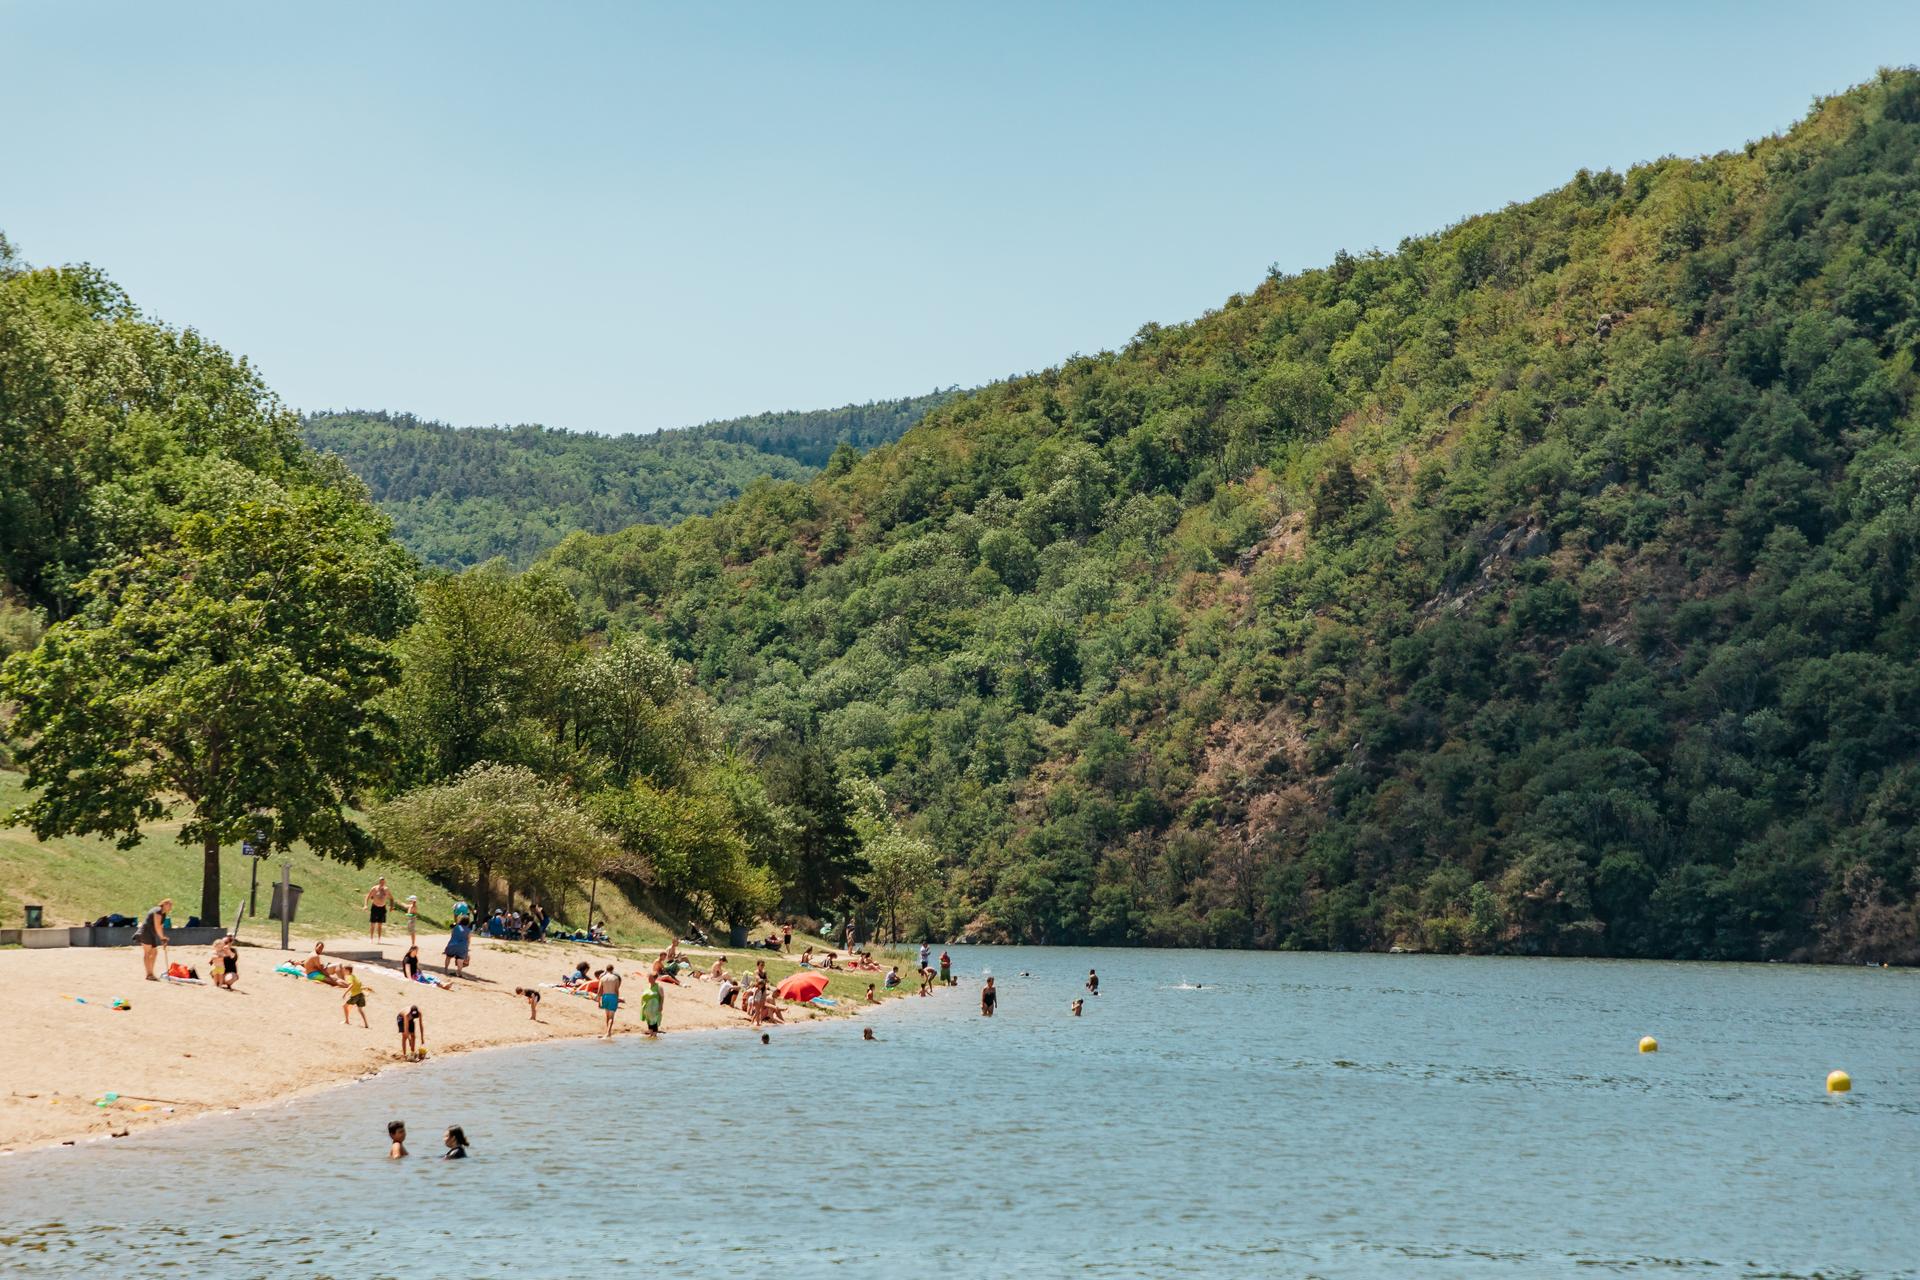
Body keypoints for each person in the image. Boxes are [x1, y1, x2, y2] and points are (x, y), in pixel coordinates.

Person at [136, 898, 171, 982]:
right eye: (169, 904)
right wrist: (162, 938)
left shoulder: (163, 914)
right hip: (145, 932)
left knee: (154, 952)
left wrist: (163, 938)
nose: (171, 907)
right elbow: (157, 926)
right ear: (164, 904)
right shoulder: (158, 910)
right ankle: (149, 974)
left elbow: (160, 927)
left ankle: (151, 973)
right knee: (148, 952)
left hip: (151, 934)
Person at [364, 877, 393, 942]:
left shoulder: (386, 889)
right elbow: (367, 897)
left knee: (380, 924)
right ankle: (371, 938)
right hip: (375, 907)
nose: (382, 883)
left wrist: (391, 906)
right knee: (373, 924)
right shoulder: (374, 888)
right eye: (381, 882)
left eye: (383, 882)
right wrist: (365, 905)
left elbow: (392, 898)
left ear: (384, 882)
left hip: (382, 908)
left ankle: (379, 939)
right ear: (379, 882)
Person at [598, 962, 622, 1038]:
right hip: (613, 996)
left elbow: (599, 991)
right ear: (613, 969)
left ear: (606, 969)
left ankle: (608, 1032)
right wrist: (617, 999)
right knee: (611, 1016)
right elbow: (616, 990)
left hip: (605, 996)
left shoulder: (602, 978)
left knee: (607, 1015)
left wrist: (599, 1001)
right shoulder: (615, 978)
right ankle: (608, 1032)